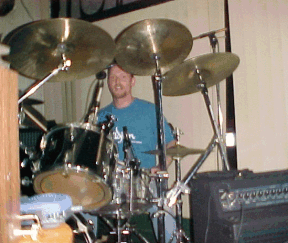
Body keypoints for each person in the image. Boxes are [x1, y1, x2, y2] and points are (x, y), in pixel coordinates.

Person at [96, 64, 176, 242]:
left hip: (144, 181)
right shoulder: (100, 116)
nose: (117, 81)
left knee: (163, 206)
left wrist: (161, 166)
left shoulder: (149, 111)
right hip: (110, 181)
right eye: (113, 77)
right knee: (82, 198)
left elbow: (171, 143)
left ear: (132, 81)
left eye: (123, 77)